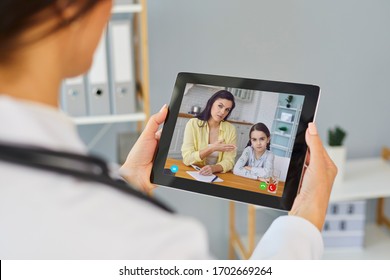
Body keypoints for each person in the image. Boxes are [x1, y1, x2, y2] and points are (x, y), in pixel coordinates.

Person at [0, 0, 337, 259]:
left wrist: (129, 182)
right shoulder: (152, 244)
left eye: (229, 108)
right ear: (70, 8)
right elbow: (191, 156)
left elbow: (231, 163)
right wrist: (307, 214)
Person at [181, 90, 237, 176]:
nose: (222, 112)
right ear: (211, 103)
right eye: (220, 106)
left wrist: (213, 168)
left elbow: (229, 161)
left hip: (217, 175)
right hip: (194, 172)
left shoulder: (231, 129)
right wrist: (212, 148)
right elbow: (187, 159)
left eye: (227, 110)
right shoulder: (193, 124)